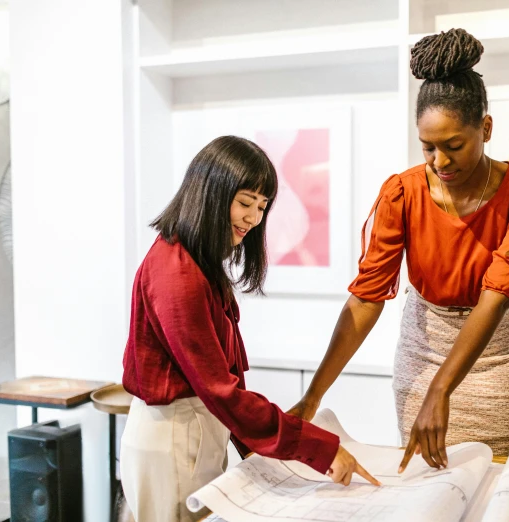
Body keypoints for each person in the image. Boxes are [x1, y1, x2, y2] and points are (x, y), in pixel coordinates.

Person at [289, 29, 509, 472]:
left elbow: (496, 294)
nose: (440, 161)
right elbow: (367, 297)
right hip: (422, 347)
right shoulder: (402, 193)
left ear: (485, 129)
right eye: (428, 147)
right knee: (422, 482)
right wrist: (313, 396)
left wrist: (442, 390)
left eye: (455, 146)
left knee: (486, 481)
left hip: (493, 357)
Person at [119, 136, 378, 522]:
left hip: (196, 431)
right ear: (210, 192)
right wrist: (319, 448)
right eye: (244, 202)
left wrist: (254, 442)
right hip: (174, 439)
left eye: (262, 206)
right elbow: (220, 389)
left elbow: (223, 383)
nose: (254, 219)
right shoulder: (176, 273)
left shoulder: (197, 263)